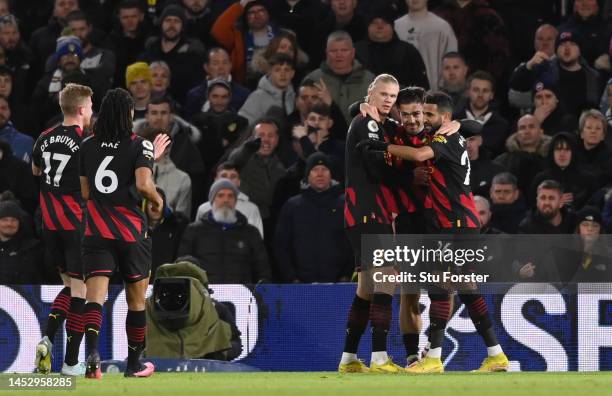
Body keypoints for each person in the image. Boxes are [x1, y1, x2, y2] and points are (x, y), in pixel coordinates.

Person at [359, 91, 509, 373]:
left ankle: (433, 359)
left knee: (441, 287)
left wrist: (382, 146)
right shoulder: (448, 135)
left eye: (428, 115)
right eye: (419, 114)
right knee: (465, 289)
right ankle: (496, 355)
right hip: (456, 223)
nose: (423, 120)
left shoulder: (445, 138)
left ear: (445, 118)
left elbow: (418, 154)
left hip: (454, 224)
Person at [79, 88, 167, 379]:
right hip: (130, 233)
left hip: (96, 230)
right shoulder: (140, 145)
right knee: (136, 300)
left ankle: (91, 354)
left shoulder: (87, 145)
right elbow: (143, 185)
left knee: (95, 297)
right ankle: (134, 364)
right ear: (129, 114)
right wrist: (156, 200)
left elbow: (85, 191)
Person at [338, 74, 401, 374]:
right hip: (369, 211)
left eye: (393, 95)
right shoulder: (369, 123)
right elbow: (377, 163)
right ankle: (379, 357)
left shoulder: (374, 122)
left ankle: (349, 359)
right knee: (387, 278)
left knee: (366, 287)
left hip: (360, 213)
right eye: (384, 94)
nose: (388, 99)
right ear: (371, 94)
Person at [32, 84, 93, 376]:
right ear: (81, 109)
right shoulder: (86, 141)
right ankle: (70, 363)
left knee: (69, 287)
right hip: (76, 225)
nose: (92, 112)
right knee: (80, 290)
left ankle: (46, 339)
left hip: (50, 224)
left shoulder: (44, 138)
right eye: (91, 107)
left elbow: (35, 171)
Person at [274, 152, 352, 283]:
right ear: (307, 175)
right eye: (315, 170)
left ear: (331, 174)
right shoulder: (292, 206)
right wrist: (291, 278)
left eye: (324, 169)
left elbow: (353, 243)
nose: (320, 174)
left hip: (339, 285)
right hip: (300, 285)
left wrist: (346, 275)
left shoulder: (345, 205)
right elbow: (281, 245)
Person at [177, 178, 271, 284]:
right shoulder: (194, 231)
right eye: (220, 195)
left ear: (235, 201)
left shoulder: (251, 232)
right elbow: (183, 267)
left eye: (230, 196)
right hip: (205, 294)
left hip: (242, 295)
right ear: (212, 201)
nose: (226, 200)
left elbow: (263, 269)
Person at [304, 30, 375, 125]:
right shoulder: (313, 79)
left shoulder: (371, 80)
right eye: (333, 51)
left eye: (344, 50)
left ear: (353, 52)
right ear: (326, 53)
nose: (339, 55)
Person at [394, 0, 458, 90]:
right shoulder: (396, 27)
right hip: (400, 92)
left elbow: (453, 62)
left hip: (434, 93)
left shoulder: (442, 27)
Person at [196, 161, 263, 237]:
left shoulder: (251, 209)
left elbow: (257, 239)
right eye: (224, 176)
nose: (228, 180)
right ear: (215, 180)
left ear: (239, 182)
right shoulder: (203, 208)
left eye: (233, 176)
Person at [453, 70, 509, 157]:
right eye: (476, 90)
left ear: (492, 95)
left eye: (485, 90)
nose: (480, 94)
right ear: (468, 92)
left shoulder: (501, 124)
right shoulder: (453, 121)